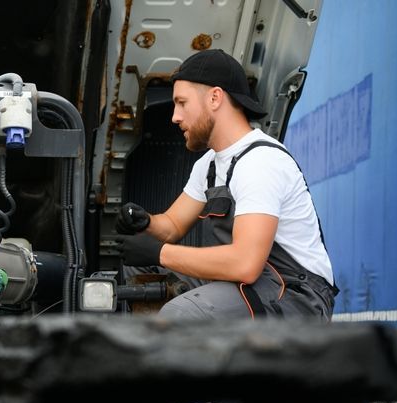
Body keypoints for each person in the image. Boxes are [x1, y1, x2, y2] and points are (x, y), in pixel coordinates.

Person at [117, 49, 338, 320]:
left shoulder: (259, 161)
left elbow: (245, 263)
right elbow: (173, 226)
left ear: (215, 98)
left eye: (182, 103)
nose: (174, 116)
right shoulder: (209, 164)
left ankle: (173, 357)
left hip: (295, 295)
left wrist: (161, 252)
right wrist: (145, 222)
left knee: (181, 315)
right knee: (140, 271)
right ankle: (148, 353)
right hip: (254, 283)